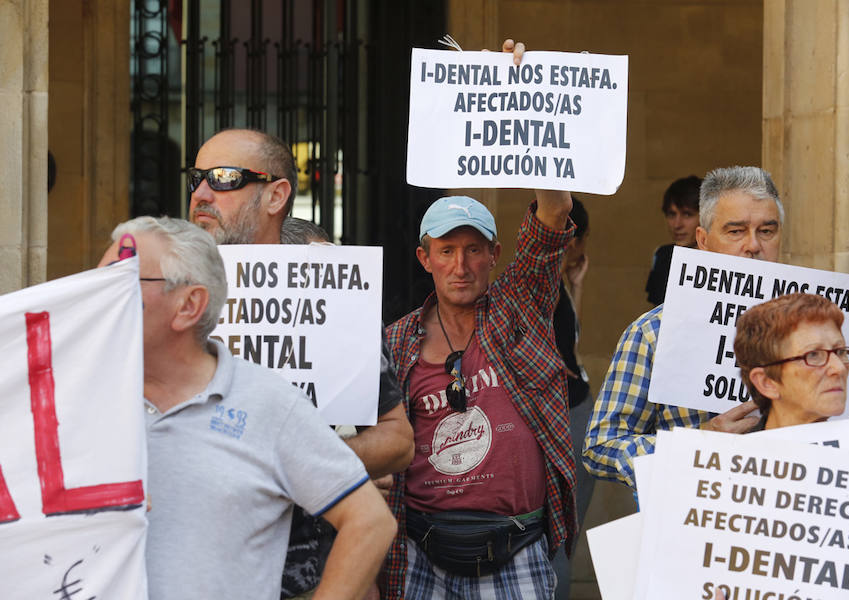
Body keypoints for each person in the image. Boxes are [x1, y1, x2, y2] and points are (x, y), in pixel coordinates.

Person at [98, 216, 396, 599]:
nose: (101, 293)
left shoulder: (269, 403)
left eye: (123, 277)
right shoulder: (75, 398)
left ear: (189, 305)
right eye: (100, 276)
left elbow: (370, 522)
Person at [187, 129, 414, 598]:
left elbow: (397, 440)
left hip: (307, 579)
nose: (202, 194)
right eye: (196, 178)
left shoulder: (333, 300)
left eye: (223, 178)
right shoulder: (177, 298)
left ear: (277, 195)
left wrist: (301, 465)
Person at [583, 165, 849, 491]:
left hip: (804, 522)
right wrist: (695, 445)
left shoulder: (817, 327)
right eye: (735, 231)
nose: (753, 245)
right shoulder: (653, 334)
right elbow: (602, 446)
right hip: (699, 524)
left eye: (767, 231)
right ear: (703, 240)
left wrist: (819, 442)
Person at [381, 185, 576, 599]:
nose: (460, 266)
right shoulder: (396, 341)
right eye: (446, 250)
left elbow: (555, 213)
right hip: (420, 551)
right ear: (425, 257)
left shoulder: (519, 307)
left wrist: (539, 145)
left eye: (473, 249)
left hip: (516, 545)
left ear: (494, 254)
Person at [550, 195, 594, 599]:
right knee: (561, 529)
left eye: (569, 236)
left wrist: (576, 287)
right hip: (564, 415)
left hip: (576, 406)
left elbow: (570, 348)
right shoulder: (543, 287)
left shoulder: (561, 284)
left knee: (568, 525)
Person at [734, 293, 849, 430]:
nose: (839, 368)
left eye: (840, 351)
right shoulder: (737, 451)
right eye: (813, 355)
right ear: (767, 382)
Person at [644, 175, 701, 305]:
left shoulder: (721, 259)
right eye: (671, 214)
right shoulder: (662, 255)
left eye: (687, 214)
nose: (677, 224)